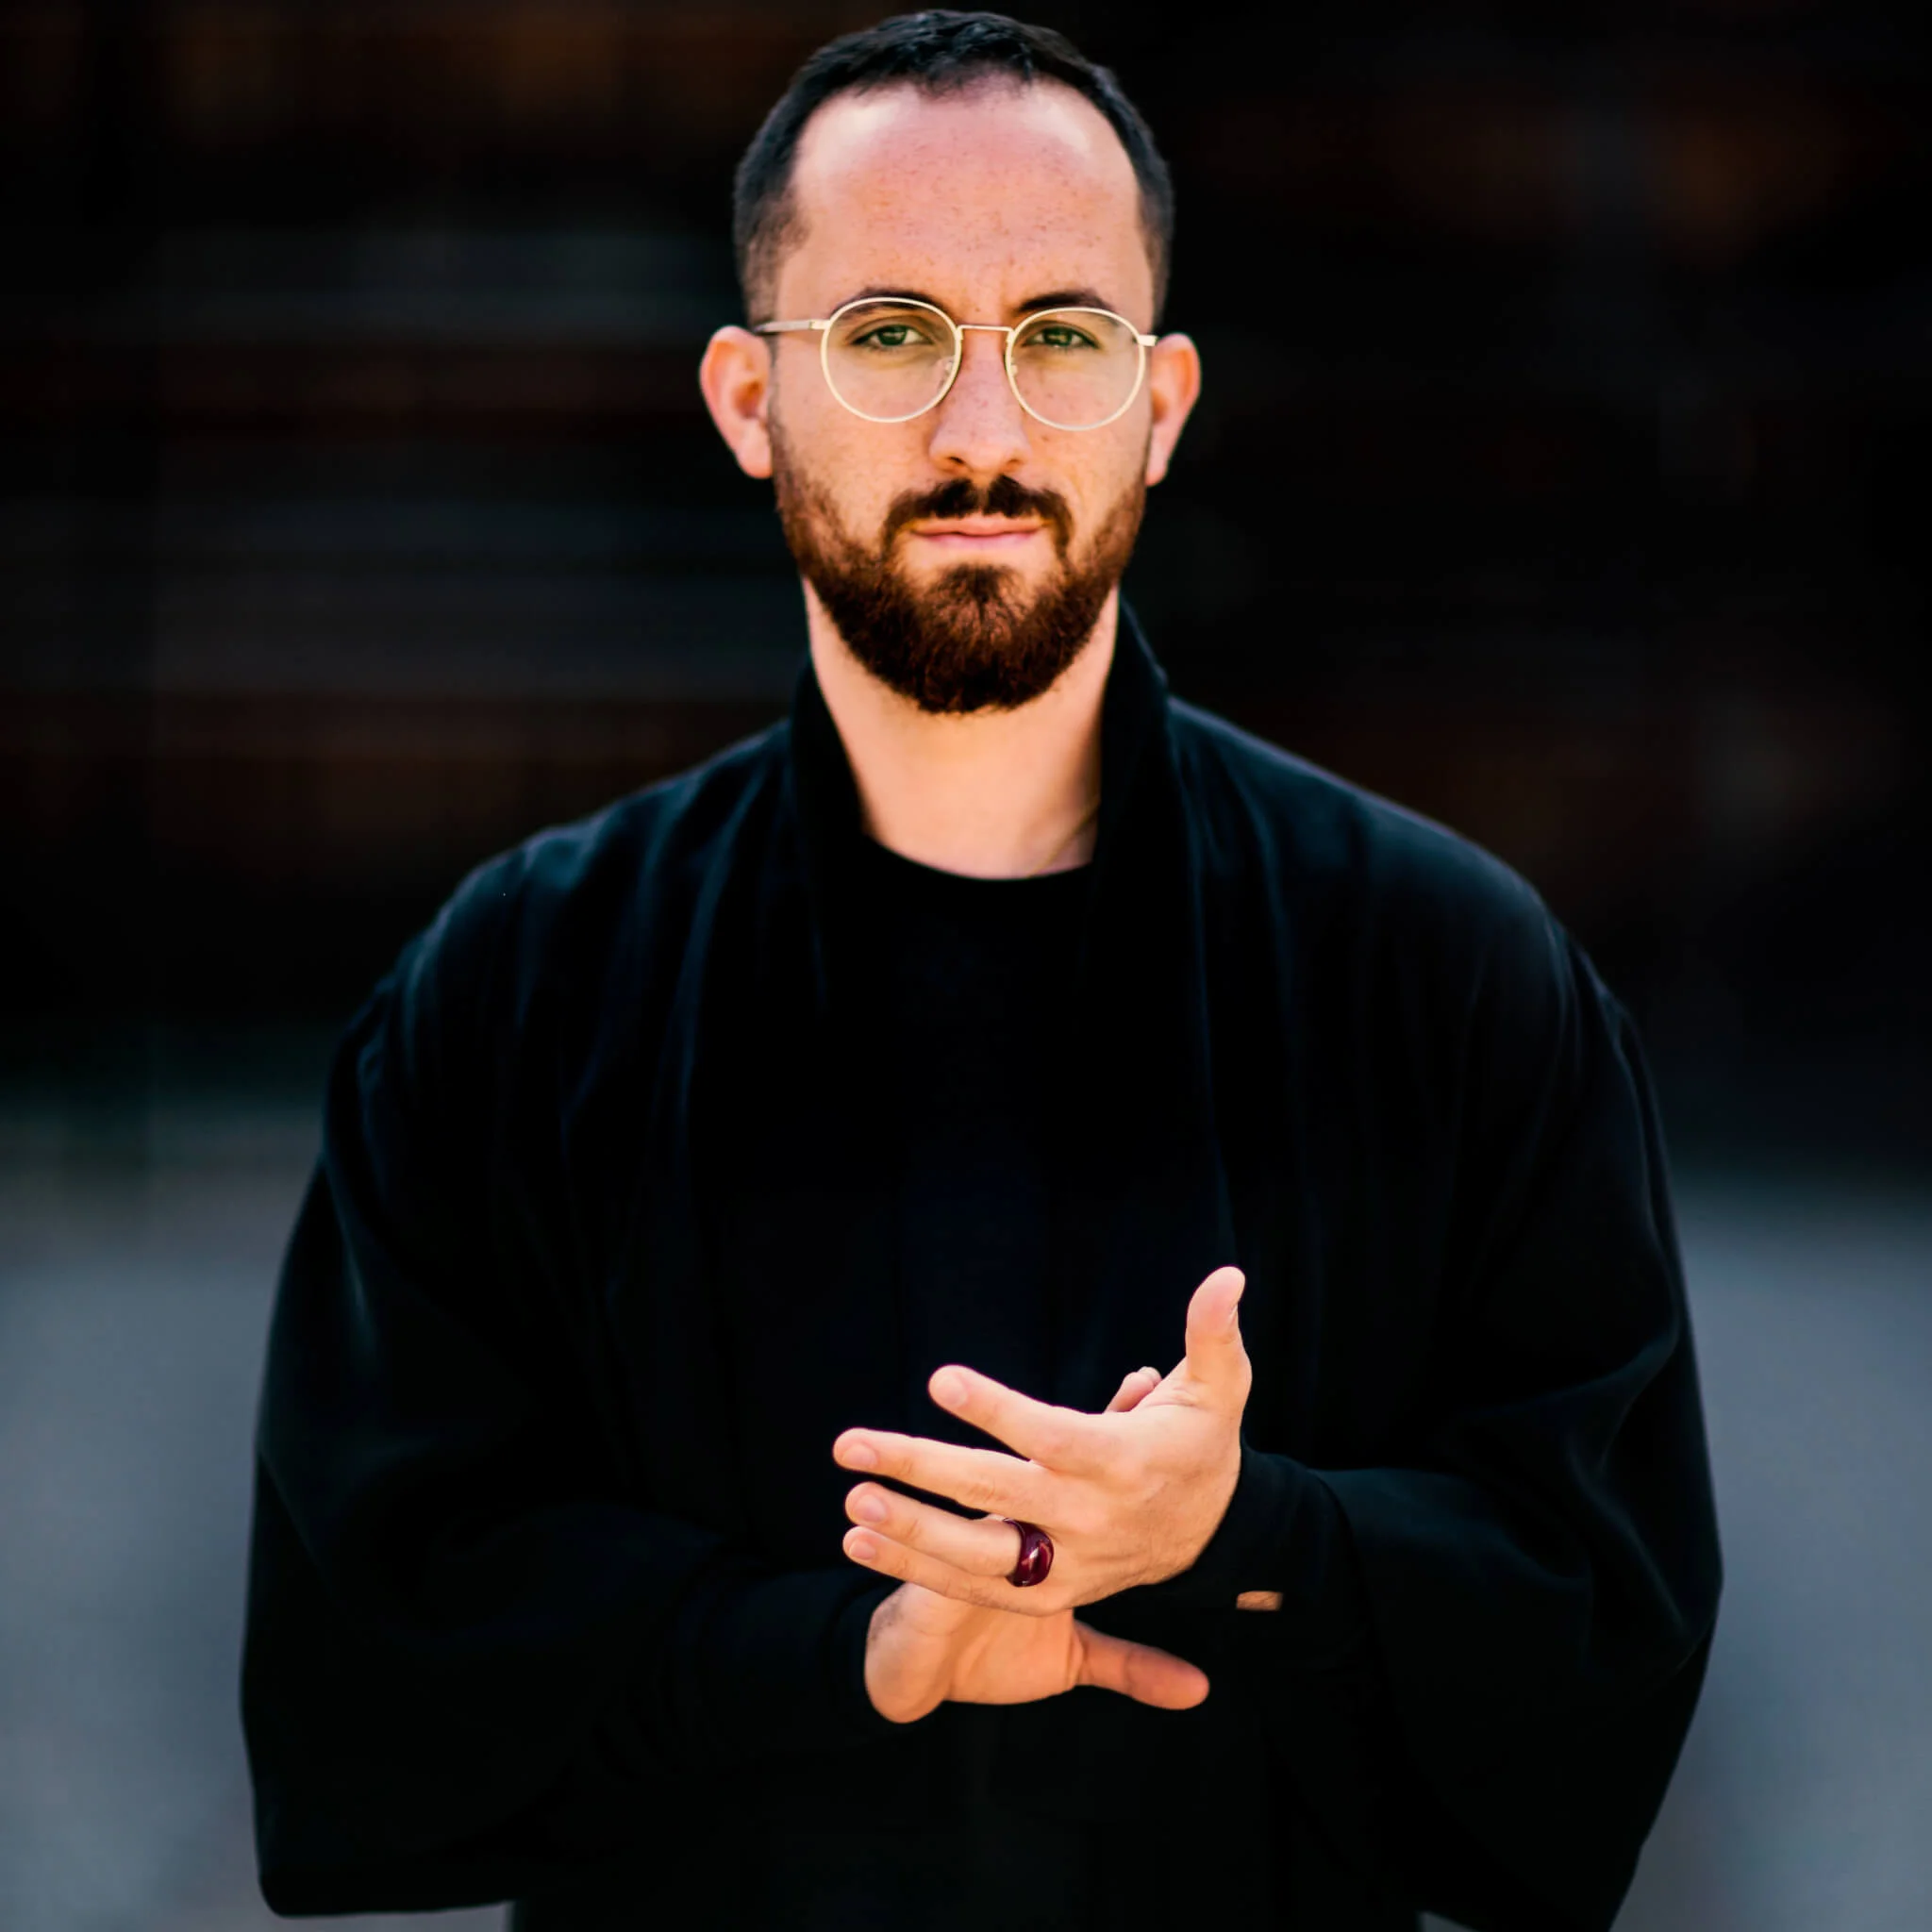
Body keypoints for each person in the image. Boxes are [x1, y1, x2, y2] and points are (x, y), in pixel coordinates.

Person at [240, 12, 1722, 1930]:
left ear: (1161, 405)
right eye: (888, 334)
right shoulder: (511, 993)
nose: (983, 435)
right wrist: (843, 1655)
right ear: (748, 398)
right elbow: (367, 1646)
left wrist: (1240, 1531)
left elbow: (1607, 1646)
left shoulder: (1456, 981)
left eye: (1061, 338)